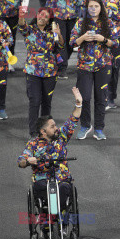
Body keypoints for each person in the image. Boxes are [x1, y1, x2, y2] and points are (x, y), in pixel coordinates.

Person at [17, 87, 83, 222]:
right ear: (43, 131)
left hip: (61, 178)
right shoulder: (33, 144)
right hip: (42, 180)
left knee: (65, 188)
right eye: (52, 127)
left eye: (55, 125)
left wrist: (78, 103)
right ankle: (47, 219)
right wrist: (28, 161)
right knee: (40, 189)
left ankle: (61, 216)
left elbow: (73, 120)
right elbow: (21, 161)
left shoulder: (61, 138)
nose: (57, 128)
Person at [70, 0, 120, 140]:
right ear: (86, 8)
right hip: (84, 65)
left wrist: (103, 39)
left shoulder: (108, 23)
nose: (93, 9)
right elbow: (72, 43)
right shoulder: (80, 22)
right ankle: (85, 126)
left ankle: (99, 129)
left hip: (103, 65)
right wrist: (83, 38)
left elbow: (116, 43)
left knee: (101, 98)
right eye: (90, 6)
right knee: (84, 97)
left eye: (96, 6)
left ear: (101, 8)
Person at [31, 0, 86, 80]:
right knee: (59, 39)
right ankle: (62, 68)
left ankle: (60, 62)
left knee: (71, 41)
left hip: (73, 9)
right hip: (56, 10)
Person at [19, 7, 64, 138]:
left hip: (50, 72)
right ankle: (33, 132)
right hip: (33, 71)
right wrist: (21, 15)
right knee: (34, 101)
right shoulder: (30, 29)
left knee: (46, 102)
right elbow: (22, 25)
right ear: (37, 15)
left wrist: (59, 34)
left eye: (46, 16)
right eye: (40, 14)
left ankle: (46, 131)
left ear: (49, 20)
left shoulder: (52, 31)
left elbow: (61, 45)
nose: (42, 17)